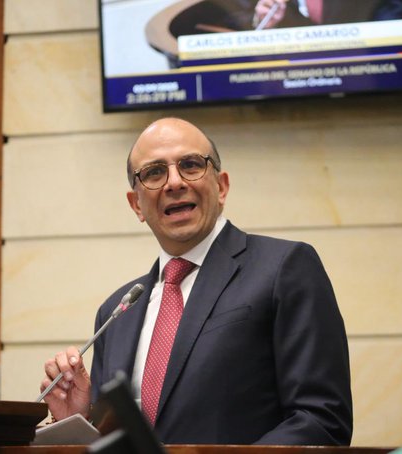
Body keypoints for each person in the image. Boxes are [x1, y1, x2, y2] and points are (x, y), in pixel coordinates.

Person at [41, 117, 353, 445]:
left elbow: (321, 420)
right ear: (136, 205)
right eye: (154, 172)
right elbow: (117, 444)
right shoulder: (116, 313)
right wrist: (81, 421)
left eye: (190, 165)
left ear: (222, 187)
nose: (174, 183)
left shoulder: (284, 268)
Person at [253, 0, 402, 30]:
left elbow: (393, 8)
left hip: (364, 75)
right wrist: (265, 22)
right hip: (286, 87)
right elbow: (247, 23)